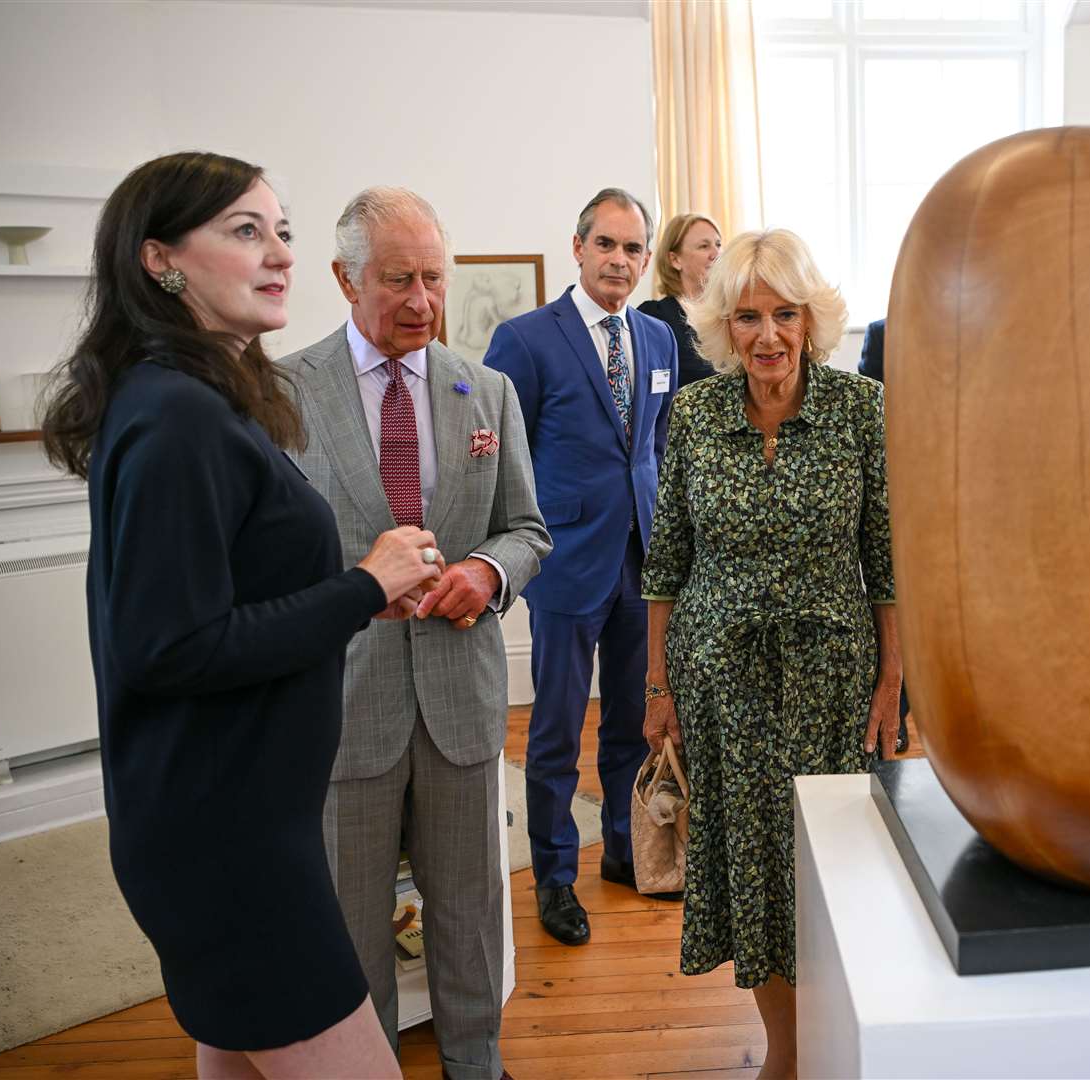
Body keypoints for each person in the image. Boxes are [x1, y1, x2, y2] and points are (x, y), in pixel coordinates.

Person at [41, 152, 438, 1078]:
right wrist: (363, 587)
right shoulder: (176, 415)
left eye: (282, 232)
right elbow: (170, 647)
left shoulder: (195, 400)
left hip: (238, 821)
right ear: (159, 261)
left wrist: (348, 597)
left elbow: (219, 603)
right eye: (244, 231)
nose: (279, 256)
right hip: (231, 847)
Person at [280, 186, 551, 1080]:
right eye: (399, 279)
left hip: (460, 706)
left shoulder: (489, 389)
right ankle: (370, 1066)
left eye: (435, 278)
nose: (422, 302)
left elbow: (528, 530)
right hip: (345, 705)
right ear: (343, 277)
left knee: (470, 909)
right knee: (350, 918)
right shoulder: (279, 395)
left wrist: (489, 572)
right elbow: (266, 557)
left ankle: (476, 1061)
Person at [641, 228, 902, 1080]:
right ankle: (786, 1056)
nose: (766, 336)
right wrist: (658, 686)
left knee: (832, 866)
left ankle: (838, 1040)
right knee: (753, 865)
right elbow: (667, 561)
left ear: (811, 319)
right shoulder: (695, 412)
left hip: (833, 678)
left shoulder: (862, 408)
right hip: (723, 683)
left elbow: (888, 561)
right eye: (747, 316)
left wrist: (894, 680)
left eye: (784, 314)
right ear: (723, 326)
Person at [483, 188, 680, 946]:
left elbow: (654, 449)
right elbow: (508, 457)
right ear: (578, 246)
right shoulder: (527, 339)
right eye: (607, 245)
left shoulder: (659, 341)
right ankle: (555, 879)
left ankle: (626, 853)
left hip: (643, 565)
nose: (620, 262)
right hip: (565, 563)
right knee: (557, 735)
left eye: (633, 249)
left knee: (635, 721)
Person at [855, 316, 910, 755]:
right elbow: (870, 429)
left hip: (969, 502)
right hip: (902, 493)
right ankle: (899, 714)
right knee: (898, 603)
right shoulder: (882, 333)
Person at [639, 212, 721, 388]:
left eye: (718, 244)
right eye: (704, 246)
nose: (716, 254)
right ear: (675, 260)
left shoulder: (733, 312)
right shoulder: (654, 317)